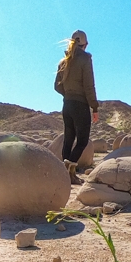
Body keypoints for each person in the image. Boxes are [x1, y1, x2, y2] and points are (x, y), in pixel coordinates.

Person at [54, 30, 98, 179]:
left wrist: (68, 94)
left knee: (68, 139)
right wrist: (94, 107)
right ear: (85, 44)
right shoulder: (85, 58)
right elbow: (89, 86)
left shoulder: (64, 61)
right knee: (82, 141)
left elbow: (57, 86)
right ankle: (69, 170)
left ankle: (67, 175)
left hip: (67, 105)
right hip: (80, 106)